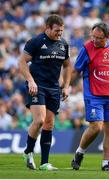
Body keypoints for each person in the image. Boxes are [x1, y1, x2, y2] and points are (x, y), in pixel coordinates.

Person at [71, 22, 109, 171]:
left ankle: (106, 163)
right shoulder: (86, 48)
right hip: (94, 94)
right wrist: (66, 86)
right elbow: (75, 70)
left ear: (107, 37)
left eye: (99, 38)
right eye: (93, 37)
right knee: (96, 126)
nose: (95, 40)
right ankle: (80, 152)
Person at [19, 14, 72, 171]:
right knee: (40, 121)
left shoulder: (64, 44)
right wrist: (31, 80)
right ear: (47, 28)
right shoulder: (36, 42)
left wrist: (67, 86)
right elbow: (22, 62)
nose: (59, 34)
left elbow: (68, 66)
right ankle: (28, 151)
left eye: (61, 31)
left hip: (54, 88)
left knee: (49, 124)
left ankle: (44, 163)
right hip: (38, 86)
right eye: (56, 30)